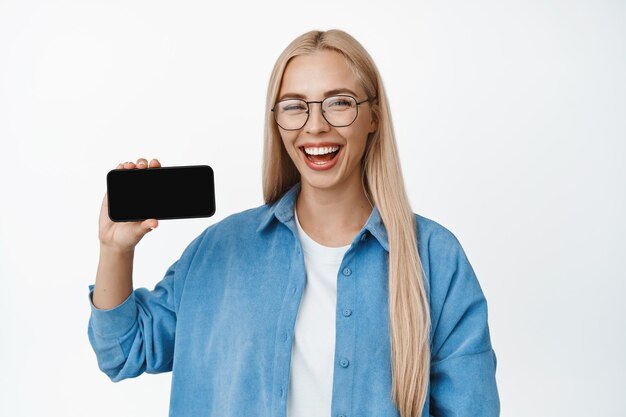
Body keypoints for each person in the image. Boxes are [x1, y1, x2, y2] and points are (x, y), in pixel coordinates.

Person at [88, 29, 500, 417]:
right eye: (295, 106)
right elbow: (122, 351)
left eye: (339, 102)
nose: (315, 125)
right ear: (277, 121)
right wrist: (115, 250)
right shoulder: (220, 250)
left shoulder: (434, 257)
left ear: (373, 116)